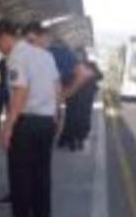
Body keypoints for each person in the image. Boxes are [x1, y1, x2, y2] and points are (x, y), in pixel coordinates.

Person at [0, 19, 61, 217]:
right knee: (41, 173)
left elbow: (20, 93)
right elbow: (56, 87)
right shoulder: (45, 55)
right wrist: (56, 115)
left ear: (4, 37)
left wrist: (7, 127)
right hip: (46, 121)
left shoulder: (17, 57)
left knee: (20, 173)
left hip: (26, 123)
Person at [22, 22, 94, 150]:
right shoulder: (32, 55)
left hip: (76, 91)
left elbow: (84, 74)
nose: (30, 45)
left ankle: (73, 140)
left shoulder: (57, 53)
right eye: (27, 42)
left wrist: (64, 95)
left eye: (32, 40)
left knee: (74, 117)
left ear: (43, 37)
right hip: (32, 111)